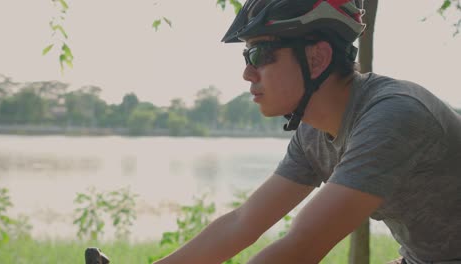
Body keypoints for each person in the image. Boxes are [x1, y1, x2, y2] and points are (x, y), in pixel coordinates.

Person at [155, 0, 461, 263]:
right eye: (246, 57)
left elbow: (301, 247)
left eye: (259, 54)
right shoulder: (312, 134)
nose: (247, 72)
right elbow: (242, 223)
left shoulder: (393, 116)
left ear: (317, 59)